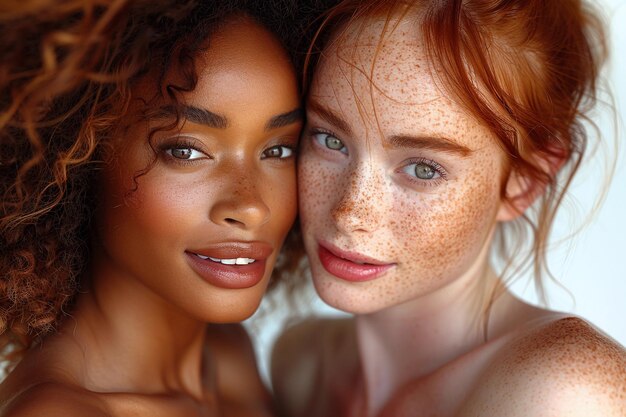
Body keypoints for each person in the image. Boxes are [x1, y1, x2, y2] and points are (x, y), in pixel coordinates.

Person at [272, 0, 626, 416]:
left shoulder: (567, 392)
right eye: (330, 140)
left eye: (423, 168)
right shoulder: (300, 365)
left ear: (523, 183)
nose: (351, 212)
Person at [0, 0, 320, 414]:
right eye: (186, 151)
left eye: (277, 149)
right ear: (77, 158)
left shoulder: (227, 358)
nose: (252, 207)